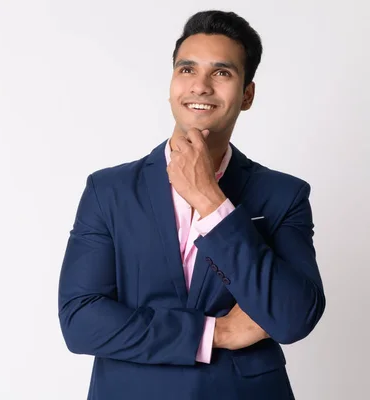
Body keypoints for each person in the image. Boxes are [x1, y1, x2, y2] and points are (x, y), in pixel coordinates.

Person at [57, 10, 325, 400]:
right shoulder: (109, 189)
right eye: (187, 70)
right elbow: (80, 321)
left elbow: (293, 317)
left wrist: (211, 202)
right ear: (171, 85)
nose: (200, 86)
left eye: (221, 73)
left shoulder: (283, 194)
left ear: (247, 94)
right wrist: (216, 333)